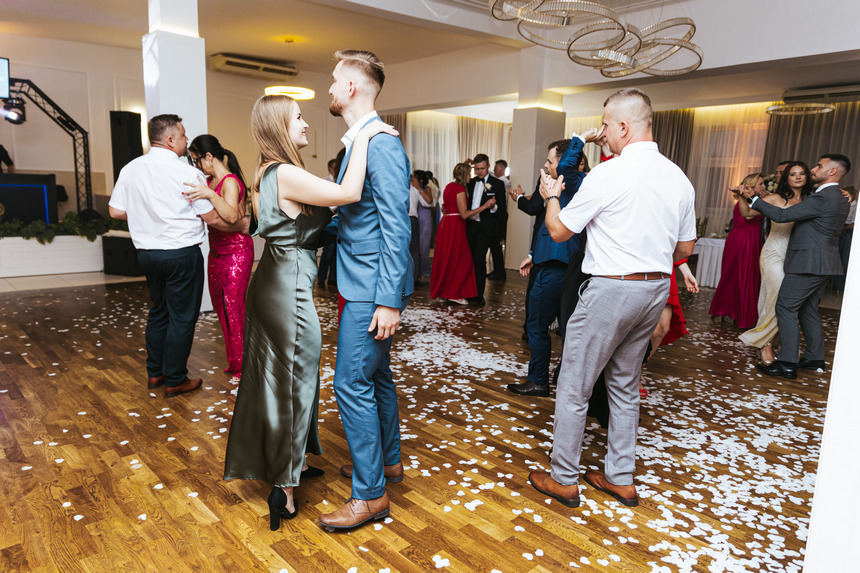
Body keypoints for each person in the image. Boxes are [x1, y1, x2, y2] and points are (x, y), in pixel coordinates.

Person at [222, 94, 397, 530]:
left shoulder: (267, 171)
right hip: (287, 293)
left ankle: (293, 463)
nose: (305, 124)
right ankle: (284, 488)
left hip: (271, 283)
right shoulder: (285, 173)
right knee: (294, 385)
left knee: (278, 382)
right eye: (298, 118)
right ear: (280, 126)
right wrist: (365, 134)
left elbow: (299, 230)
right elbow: (348, 192)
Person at [527, 88, 696, 509]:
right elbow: (685, 249)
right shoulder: (678, 177)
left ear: (623, 126)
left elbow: (559, 231)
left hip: (611, 288)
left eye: (605, 124)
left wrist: (551, 197)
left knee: (574, 384)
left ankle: (563, 478)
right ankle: (620, 477)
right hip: (654, 288)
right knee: (623, 384)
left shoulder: (610, 174)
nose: (602, 132)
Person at [319, 49, 414, 531]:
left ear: (353, 87)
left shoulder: (380, 144)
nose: (330, 88)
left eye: (335, 80)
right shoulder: (364, 140)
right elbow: (359, 216)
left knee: (350, 383)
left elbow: (397, 227)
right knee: (376, 377)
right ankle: (387, 463)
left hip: (372, 287)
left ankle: (371, 495)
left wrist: (388, 300)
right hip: (364, 280)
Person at [108, 114, 243, 398]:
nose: (186, 139)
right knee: (182, 317)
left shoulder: (131, 168)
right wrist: (241, 225)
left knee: (159, 311)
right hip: (181, 254)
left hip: (148, 255)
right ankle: (175, 379)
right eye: (183, 135)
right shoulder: (187, 174)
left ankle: (155, 373)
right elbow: (212, 219)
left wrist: (148, 214)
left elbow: (116, 211)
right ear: (170, 140)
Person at [742, 154, 852, 379]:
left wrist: (752, 199)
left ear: (832, 171)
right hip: (826, 264)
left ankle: (787, 363)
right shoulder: (840, 197)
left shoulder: (822, 197)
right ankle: (814, 358)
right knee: (808, 309)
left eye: (819, 166)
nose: (814, 169)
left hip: (807, 263)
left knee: (785, 307)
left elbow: (783, 216)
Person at [507, 137, 586, 397]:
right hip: (556, 262)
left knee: (536, 326)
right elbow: (546, 225)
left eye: (549, 160)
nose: (545, 165)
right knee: (566, 328)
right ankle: (563, 378)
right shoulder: (560, 187)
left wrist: (581, 139)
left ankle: (538, 381)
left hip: (555, 267)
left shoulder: (569, 183)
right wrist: (533, 253)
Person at [184, 134, 254, 383]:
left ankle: (244, 365)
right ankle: (234, 359)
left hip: (237, 252)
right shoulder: (209, 181)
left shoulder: (229, 181)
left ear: (208, 157)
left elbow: (232, 216)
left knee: (234, 308)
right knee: (221, 308)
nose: (196, 166)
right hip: (216, 253)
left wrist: (210, 195)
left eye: (196, 160)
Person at [739, 161, 812, 364]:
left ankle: (769, 338)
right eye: (793, 174)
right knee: (775, 296)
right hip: (774, 253)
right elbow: (747, 214)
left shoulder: (810, 201)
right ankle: (766, 344)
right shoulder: (774, 198)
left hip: (796, 256)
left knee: (784, 300)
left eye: (802, 173)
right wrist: (742, 196)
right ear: (786, 178)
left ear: (807, 177)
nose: (798, 177)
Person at [708, 173, 765, 328]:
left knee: (745, 275)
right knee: (736, 274)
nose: (764, 186)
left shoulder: (757, 200)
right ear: (751, 186)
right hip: (743, 240)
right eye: (760, 184)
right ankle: (729, 311)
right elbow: (748, 217)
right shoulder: (747, 201)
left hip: (750, 239)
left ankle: (732, 311)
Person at [429, 163, 489, 304]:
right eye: (468, 174)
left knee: (447, 260)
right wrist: (484, 206)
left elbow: (447, 206)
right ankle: (453, 294)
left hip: (446, 224)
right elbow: (464, 214)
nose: (470, 176)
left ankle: (444, 292)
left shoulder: (449, 186)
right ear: (464, 175)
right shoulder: (460, 189)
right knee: (462, 261)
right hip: (455, 226)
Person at [465, 154, 506, 303]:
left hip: (485, 228)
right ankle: (467, 291)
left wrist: (493, 206)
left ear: (488, 166)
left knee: (479, 260)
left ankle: (478, 295)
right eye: (477, 169)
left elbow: (502, 208)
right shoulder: (470, 182)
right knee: (468, 260)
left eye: (482, 168)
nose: (479, 172)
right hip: (469, 225)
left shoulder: (497, 184)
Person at [833, 185, 856, 293]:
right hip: (838, 230)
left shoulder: (855, 206)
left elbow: (854, 224)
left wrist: (842, 227)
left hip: (847, 232)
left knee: (844, 259)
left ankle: (839, 285)